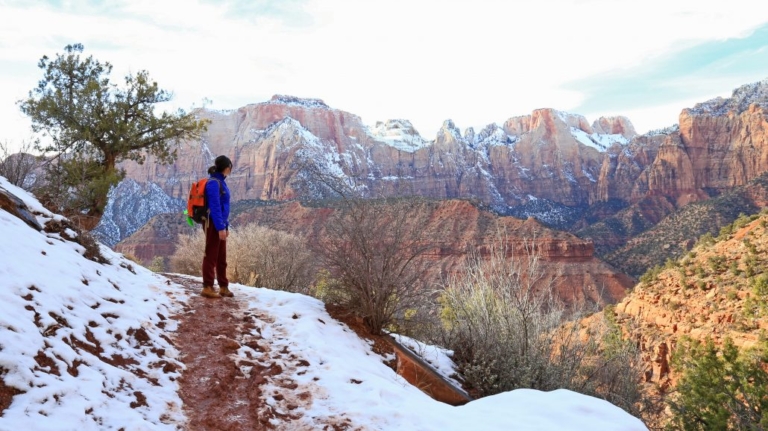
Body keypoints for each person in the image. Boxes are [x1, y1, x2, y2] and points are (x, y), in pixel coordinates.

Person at [201, 155, 233, 298]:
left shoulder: (221, 182)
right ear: (227, 168)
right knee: (211, 254)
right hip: (212, 223)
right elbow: (215, 207)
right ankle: (207, 287)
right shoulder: (213, 183)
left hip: (220, 223)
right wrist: (220, 227)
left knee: (221, 256)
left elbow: (223, 207)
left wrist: (225, 226)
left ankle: (223, 286)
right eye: (230, 168)